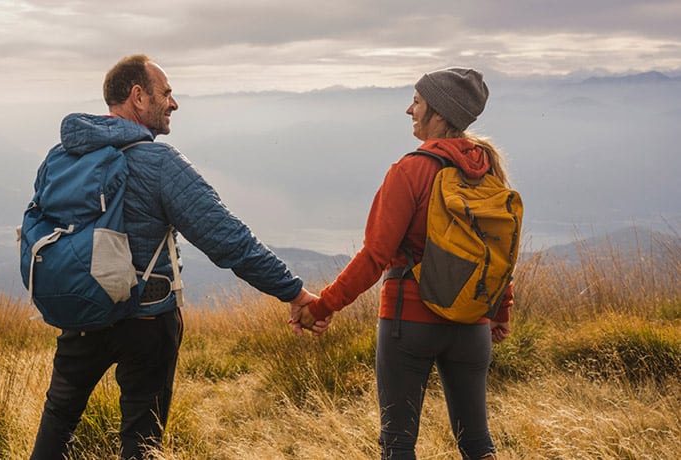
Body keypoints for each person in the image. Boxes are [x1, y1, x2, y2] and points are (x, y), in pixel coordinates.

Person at [29, 54, 330, 460]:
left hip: (80, 312)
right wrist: (294, 292)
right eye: (166, 93)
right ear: (138, 96)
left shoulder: (61, 156)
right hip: (147, 321)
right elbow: (229, 241)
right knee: (142, 438)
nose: (174, 103)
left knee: (59, 419)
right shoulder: (160, 163)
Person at [295, 68, 513, 459]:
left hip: (408, 322)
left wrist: (321, 307)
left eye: (416, 102)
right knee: (477, 442)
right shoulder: (488, 171)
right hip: (472, 323)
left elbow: (374, 256)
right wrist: (500, 310)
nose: (408, 110)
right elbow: (498, 250)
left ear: (440, 114)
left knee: (398, 443)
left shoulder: (410, 171)